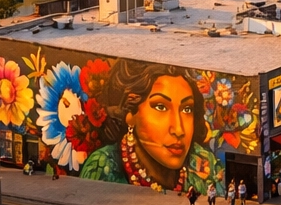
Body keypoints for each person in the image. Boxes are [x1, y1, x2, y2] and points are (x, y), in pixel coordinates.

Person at [79, 63, 223, 194]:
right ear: (131, 115)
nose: (179, 130)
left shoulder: (205, 165)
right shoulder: (103, 168)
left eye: (186, 109)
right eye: (161, 107)